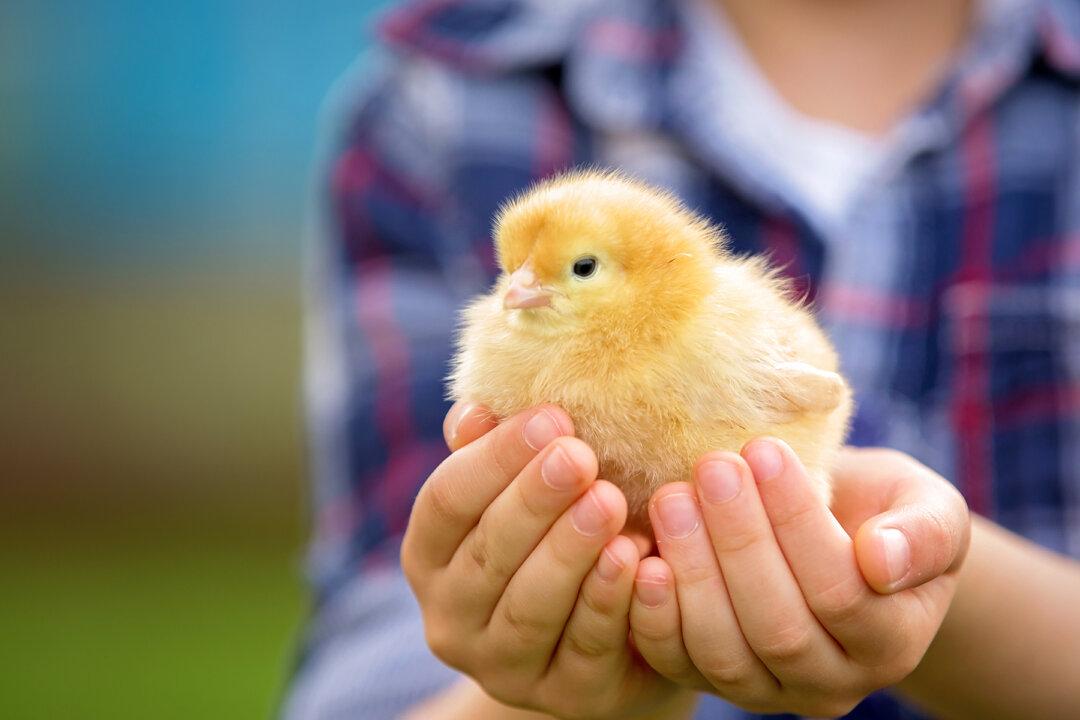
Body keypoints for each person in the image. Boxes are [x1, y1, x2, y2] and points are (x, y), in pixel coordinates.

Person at [283, 0, 1080, 718]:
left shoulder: (712, 323)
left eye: (577, 270)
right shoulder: (439, 101)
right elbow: (368, 664)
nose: (516, 292)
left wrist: (933, 584)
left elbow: (809, 391)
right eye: (511, 271)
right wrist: (552, 677)